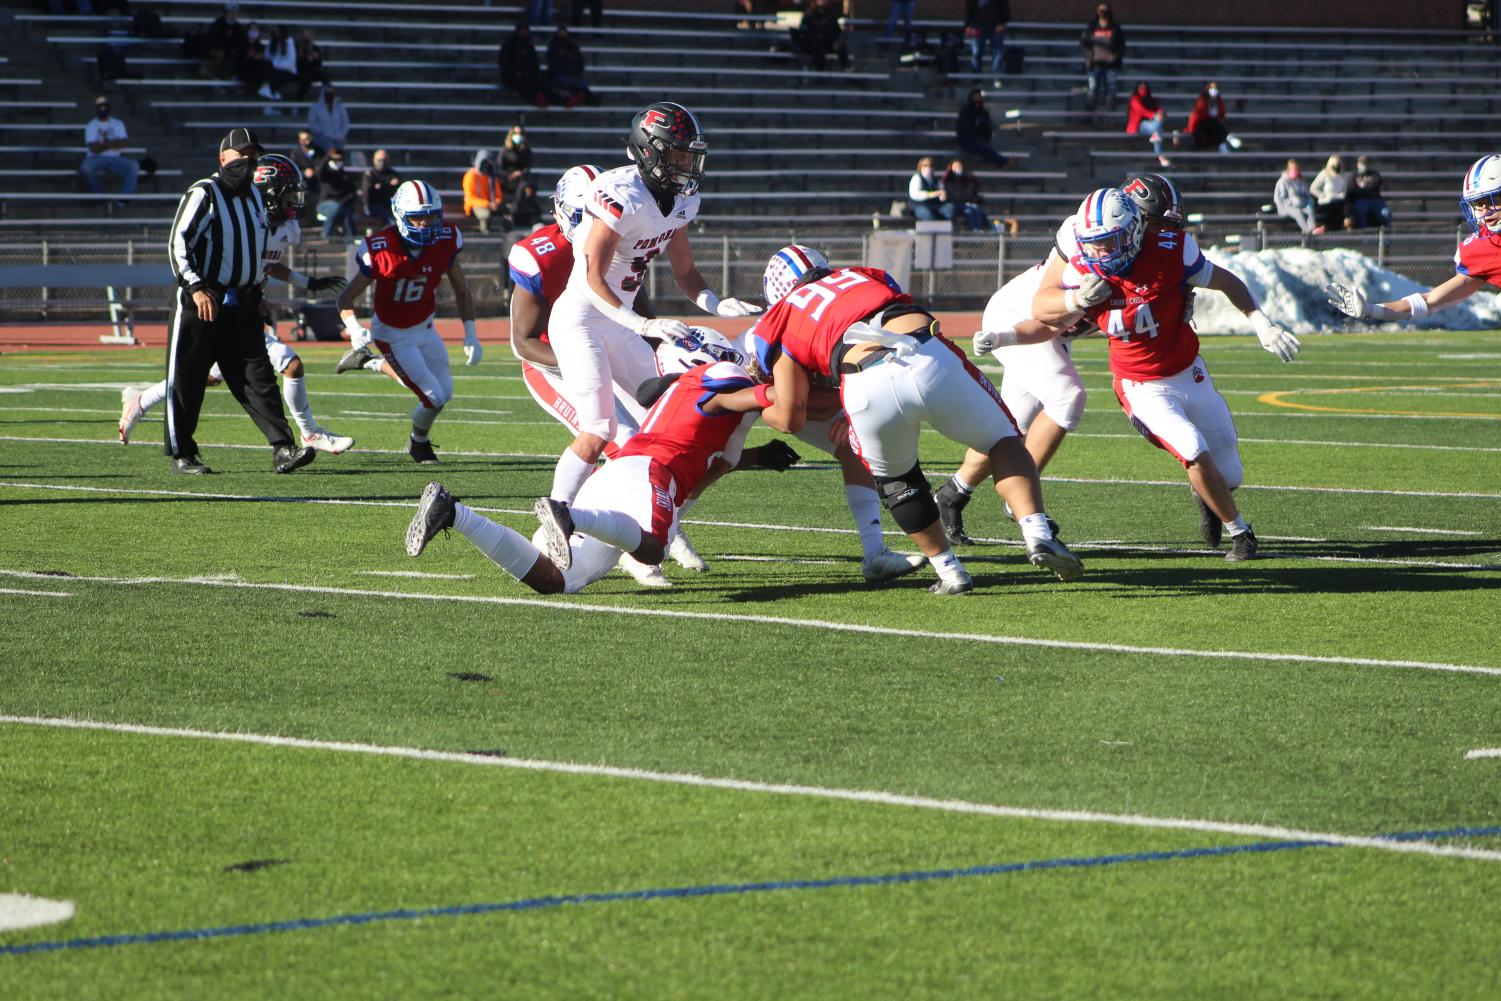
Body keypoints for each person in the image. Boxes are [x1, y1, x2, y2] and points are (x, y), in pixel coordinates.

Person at [750, 259, 1080, 594]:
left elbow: (790, 416)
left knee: (898, 483)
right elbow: (876, 315)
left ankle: (950, 572)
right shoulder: (862, 272)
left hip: (864, 383)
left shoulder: (781, 317)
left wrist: (757, 398)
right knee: (1002, 441)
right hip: (927, 355)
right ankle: (1037, 534)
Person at [1031, 188, 1302, 559]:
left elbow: (1227, 281)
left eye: (1109, 243)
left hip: (1189, 372)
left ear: (1133, 231)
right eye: (1094, 245)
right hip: (1139, 386)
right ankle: (1241, 532)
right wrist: (1074, 300)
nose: (1101, 253)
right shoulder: (1081, 260)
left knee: (1230, 473)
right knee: (1192, 448)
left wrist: (1262, 325)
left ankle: (1207, 492)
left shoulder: (1171, 250)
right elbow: (1040, 309)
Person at [404, 350, 774, 597]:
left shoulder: (695, 398)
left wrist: (758, 454)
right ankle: (569, 515)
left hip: (618, 476)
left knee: (556, 580)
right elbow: (776, 404)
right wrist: (785, 385)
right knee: (654, 549)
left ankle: (453, 512)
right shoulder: (722, 377)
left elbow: (717, 460)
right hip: (649, 472)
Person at [543, 102, 762, 508]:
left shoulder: (681, 200)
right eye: (678, 155)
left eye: (689, 156)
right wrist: (644, 325)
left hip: (621, 323)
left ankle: (641, 513)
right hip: (581, 321)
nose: (687, 165)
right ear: (650, 151)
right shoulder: (619, 195)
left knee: (663, 419)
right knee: (600, 428)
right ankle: (556, 509)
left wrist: (714, 302)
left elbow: (685, 271)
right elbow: (592, 279)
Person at [123, 153, 352, 454]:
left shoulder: (279, 225)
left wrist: (305, 282)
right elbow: (235, 262)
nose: (294, 203)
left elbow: (268, 264)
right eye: (288, 196)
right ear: (268, 194)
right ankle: (308, 434)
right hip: (226, 302)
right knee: (289, 364)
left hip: (247, 304)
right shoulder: (245, 220)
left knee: (204, 375)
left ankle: (140, 400)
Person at [751, 247, 927, 582]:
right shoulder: (780, 327)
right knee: (716, 451)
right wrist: (753, 400)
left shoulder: (844, 306)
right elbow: (791, 416)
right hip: (754, 391)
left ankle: (875, 553)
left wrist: (854, 408)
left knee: (854, 444)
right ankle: (658, 530)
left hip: (812, 394)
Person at [163, 127, 315, 475]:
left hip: (244, 300)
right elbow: (179, 243)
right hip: (205, 298)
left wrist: (256, 293)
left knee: (258, 376)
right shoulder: (205, 192)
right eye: (240, 154)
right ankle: (182, 453)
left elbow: (255, 253)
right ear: (223, 158)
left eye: (253, 155)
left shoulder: (254, 198)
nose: (247, 161)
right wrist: (195, 287)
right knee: (188, 377)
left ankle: (283, 448)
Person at [337, 180, 481, 464]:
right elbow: (345, 297)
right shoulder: (381, 248)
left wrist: (471, 333)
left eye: (430, 216)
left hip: (426, 327)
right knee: (433, 398)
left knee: (445, 392)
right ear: (400, 216)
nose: (425, 224)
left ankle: (369, 362)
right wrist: (354, 327)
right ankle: (419, 444)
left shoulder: (447, 240)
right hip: (393, 333)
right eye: (417, 217)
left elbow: (462, 290)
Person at [1327, 154, 1501, 325]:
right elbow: (1430, 301)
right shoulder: (1484, 247)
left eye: (1493, 200)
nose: (1484, 211)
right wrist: (1371, 309)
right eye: (1478, 203)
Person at [81, 96, 140, 197]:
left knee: (133, 166)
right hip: (95, 158)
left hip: (115, 158)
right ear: (96, 108)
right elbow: (93, 149)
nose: (103, 109)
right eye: (100, 106)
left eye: (105, 106)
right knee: (85, 167)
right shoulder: (91, 125)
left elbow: (124, 143)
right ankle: (99, 197)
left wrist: (103, 145)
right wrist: (114, 143)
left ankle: (124, 199)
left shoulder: (118, 123)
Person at [1080, 3, 1124, 113]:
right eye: (1100, 10)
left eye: (1105, 10)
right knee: (1092, 89)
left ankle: (1111, 116)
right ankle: (1089, 114)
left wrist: (1115, 57)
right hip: (1095, 63)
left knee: (1111, 90)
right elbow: (1084, 42)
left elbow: (1119, 45)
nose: (1103, 13)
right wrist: (1089, 58)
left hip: (1110, 64)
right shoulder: (1092, 26)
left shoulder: (1115, 27)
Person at [954, 88, 1011, 170]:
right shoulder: (965, 112)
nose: (977, 101)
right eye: (975, 99)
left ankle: (1003, 163)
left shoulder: (983, 112)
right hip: (967, 141)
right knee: (982, 147)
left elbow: (987, 127)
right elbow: (964, 129)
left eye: (979, 99)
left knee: (983, 146)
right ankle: (1004, 162)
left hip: (980, 140)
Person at [499, 22, 551, 108]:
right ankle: (536, 100)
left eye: (525, 31)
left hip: (528, 74)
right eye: (522, 30)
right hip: (513, 75)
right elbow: (504, 62)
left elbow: (535, 62)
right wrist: (515, 72)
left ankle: (549, 98)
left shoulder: (529, 46)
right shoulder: (509, 45)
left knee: (542, 79)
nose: (523, 33)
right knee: (525, 84)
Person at [546, 24, 596, 108]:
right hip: (560, 76)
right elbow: (553, 64)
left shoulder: (573, 46)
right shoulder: (553, 47)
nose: (562, 35)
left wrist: (577, 74)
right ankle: (573, 99)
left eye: (564, 33)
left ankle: (592, 99)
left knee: (582, 85)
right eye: (560, 33)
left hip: (573, 76)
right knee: (568, 83)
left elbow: (580, 62)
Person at [1184, 82, 1239, 154]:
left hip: (1213, 126)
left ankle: (1224, 144)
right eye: (1212, 89)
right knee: (1213, 123)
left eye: (1215, 89)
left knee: (1216, 127)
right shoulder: (1202, 100)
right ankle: (1228, 137)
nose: (1214, 91)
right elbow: (1198, 115)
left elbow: (1221, 113)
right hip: (1201, 125)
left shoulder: (1218, 100)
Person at [795, 0, 849, 72]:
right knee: (818, 46)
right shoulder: (809, 15)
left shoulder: (831, 14)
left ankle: (847, 70)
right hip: (814, 43)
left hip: (828, 42)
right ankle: (820, 72)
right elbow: (805, 31)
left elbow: (837, 30)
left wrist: (836, 40)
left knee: (841, 46)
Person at [1125, 82, 1170, 168]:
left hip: (1150, 125)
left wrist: (1161, 113)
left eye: (1144, 88)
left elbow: (1157, 108)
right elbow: (1141, 111)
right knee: (1157, 128)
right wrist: (1155, 115)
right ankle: (1159, 156)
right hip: (1138, 126)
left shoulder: (1149, 99)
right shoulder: (1134, 99)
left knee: (1157, 129)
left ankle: (1158, 152)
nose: (1143, 90)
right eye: (1141, 88)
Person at [316, 147, 357, 238]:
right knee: (335, 207)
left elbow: (352, 193)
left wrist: (343, 201)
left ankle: (352, 239)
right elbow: (319, 171)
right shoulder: (325, 174)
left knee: (347, 213)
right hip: (325, 204)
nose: (337, 161)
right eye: (334, 159)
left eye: (339, 159)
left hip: (343, 204)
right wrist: (328, 156)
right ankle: (325, 235)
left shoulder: (346, 176)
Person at [964, 0, 1009, 84]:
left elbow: (1005, 7)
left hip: (995, 27)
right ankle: (976, 78)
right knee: (976, 53)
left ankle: (997, 78)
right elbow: (969, 8)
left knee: (998, 52)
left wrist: (1003, 23)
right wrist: (968, 25)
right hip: (978, 27)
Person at [940, 159, 991, 232]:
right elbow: (952, 196)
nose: (957, 168)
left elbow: (971, 194)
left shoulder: (969, 179)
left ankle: (977, 231)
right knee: (970, 208)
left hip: (966, 205)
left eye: (959, 166)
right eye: (955, 166)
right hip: (954, 205)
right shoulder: (947, 180)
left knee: (972, 210)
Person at [1273, 158, 1320, 235]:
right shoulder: (1282, 181)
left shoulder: (1301, 181)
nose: (1294, 170)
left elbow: (1307, 196)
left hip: (1301, 205)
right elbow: (1278, 199)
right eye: (1292, 168)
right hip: (1285, 207)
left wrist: (1309, 202)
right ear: (1288, 169)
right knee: (1297, 212)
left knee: (1309, 210)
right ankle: (1309, 232)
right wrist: (1292, 201)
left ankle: (1313, 229)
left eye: (1296, 168)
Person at [462, 149, 503, 234]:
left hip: (491, 205)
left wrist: (496, 203)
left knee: (508, 212)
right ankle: (486, 237)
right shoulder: (471, 175)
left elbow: (498, 195)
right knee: (485, 215)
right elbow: (470, 199)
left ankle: (508, 238)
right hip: (475, 205)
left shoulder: (491, 176)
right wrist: (488, 204)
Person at [1346, 156, 1391, 230]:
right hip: (1361, 200)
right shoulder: (1354, 176)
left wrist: (1363, 189)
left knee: (1386, 213)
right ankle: (1364, 239)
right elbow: (1351, 190)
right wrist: (1366, 188)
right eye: (1362, 164)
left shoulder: (1375, 174)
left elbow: (1376, 185)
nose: (1364, 166)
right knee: (1360, 212)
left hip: (1375, 200)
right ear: (1357, 164)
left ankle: (1385, 239)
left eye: (1366, 164)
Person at [1309, 155, 1347, 234]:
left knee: (1343, 210)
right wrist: (1323, 195)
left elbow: (1344, 190)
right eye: (1335, 163)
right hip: (1326, 202)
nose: (1337, 166)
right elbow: (1313, 188)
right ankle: (1326, 229)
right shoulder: (1324, 173)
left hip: (1339, 201)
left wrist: (1341, 195)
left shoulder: (1342, 175)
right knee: (1333, 210)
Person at [363, 149, 401, 226]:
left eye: (384, 160)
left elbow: (398, 191)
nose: (382, 162)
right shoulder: (370, 174)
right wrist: (389, 186)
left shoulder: (394, 174)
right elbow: (370, 193)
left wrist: (380, 187)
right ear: (374, 160)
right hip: (373, 206)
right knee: (393, 222)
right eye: (379, 160)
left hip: (390, 205)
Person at [307, 83, 348, 151]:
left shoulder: (339, 107)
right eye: (327, 92)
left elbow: (345, 122)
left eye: (331, 92)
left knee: (339, 153)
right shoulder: (315, 107)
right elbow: (312, 124)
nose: (329, 94)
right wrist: (324, 132)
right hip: (322, 139)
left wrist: (341, 133)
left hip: (338, 138)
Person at [288, 129, 322, 210]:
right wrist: (304, 173)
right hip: (301, 184)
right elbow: (293, 169)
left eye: (307, 139)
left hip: (316, 184)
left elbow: (322, 165)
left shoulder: (319, 151)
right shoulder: (295, 152)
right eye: (302, 139)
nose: (305, 142)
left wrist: (314, 171)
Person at [294, 29, 329, 101]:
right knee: (306, 80)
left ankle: (325, 100)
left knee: (325, 77)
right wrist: (306, 60)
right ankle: (298, 102)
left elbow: (318, 64)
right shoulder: (296, 47)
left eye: (308, 37)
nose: (306, 40)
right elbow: (295, 63)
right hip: (298, 72)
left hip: (310, 71)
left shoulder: (315, 48)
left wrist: (315, 58)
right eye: (305, 37)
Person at [500, 124, 533, 199]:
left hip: (521, 180)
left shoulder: (526, 150)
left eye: (520, 134)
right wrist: (509, 174)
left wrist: (520, 173)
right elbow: (500, 166)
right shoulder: (505, 150)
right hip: (507, 180)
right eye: (515, 134)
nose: (518, 136)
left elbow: (528, 165)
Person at [907, 156, 944, 221]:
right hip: (919, 206)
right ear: (920, 167)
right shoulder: (917, 178)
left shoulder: (936, 180)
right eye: (925, 166)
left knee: (949, 209)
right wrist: (931, 194)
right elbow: (914, 194)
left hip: (935, 205)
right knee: (928, 215)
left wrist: (943, 195)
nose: (928, 168)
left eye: (930, 166)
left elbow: (942, 194)